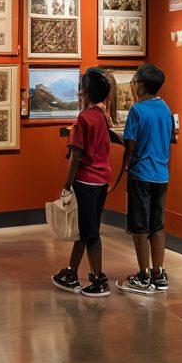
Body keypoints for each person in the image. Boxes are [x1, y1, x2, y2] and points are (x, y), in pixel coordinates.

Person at [52, 68, 114, 297]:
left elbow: (75, 156)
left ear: (85, 92)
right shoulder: (101, 116)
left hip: (86, 181)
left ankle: (99, 279)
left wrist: (66, 185)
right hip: (101, 180)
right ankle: (71, 270)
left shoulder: (84, 119)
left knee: (90, 233)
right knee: (85, 227)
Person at [116, 64, 174, 295]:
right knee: (157, 225)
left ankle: (143, 275)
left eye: (134, 82)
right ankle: (159, 272)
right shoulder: (165, 109)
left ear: (140, 85)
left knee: (140, 227)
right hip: (161, 175)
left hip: (141, 174)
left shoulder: (137, 111)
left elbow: (130, 145)